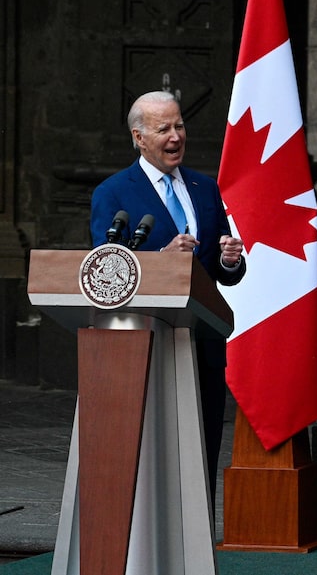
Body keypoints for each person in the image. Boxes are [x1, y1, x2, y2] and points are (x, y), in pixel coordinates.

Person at [89, 90, 245, 503]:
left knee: (203, 450)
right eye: (164, 129)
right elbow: (105, 272)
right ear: (139, 137)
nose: (176, 136)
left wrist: (230, 260)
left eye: (179, 126)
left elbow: (223, 274)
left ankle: (197, 549)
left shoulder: (204, 187)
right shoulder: (113, 193)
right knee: (150, 453)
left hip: (203, 345)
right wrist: (161, 260)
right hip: (146, 345)